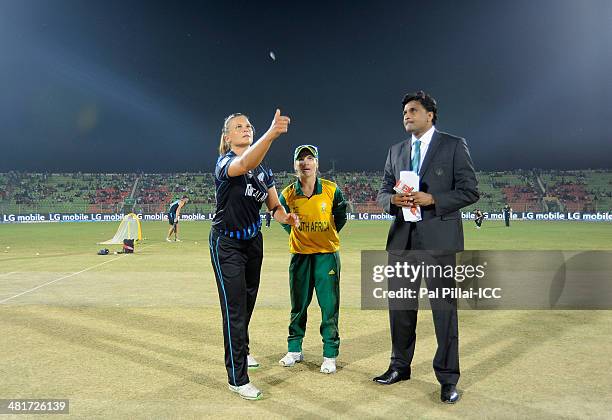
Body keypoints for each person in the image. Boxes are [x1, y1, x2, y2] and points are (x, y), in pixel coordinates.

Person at [375, 91, 479, 404]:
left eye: (413, 110)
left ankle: (448, 379)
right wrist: (392, 201)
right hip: (402, 241)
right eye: (405, 111)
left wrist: (434, 199)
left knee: (444, 313)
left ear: (430, 115)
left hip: (439, 241)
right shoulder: (396, 150)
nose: (407, 115)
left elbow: (470, 190)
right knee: (400, 310)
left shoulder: (453, 145)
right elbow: (382, 191)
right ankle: (399, 366)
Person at [209, 110, 300, 401]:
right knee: (234, 310)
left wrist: (286, 217)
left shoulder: (264, 171)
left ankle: (242, 351)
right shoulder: (225, 163)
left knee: (247, 303)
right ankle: (237, 378)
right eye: (239, 126)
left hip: (252, 242)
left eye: (249, 125)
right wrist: (272, 133)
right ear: (228, 137)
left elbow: (274, 206)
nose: (246, 129)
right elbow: (245, 162)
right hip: (227, 244)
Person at [278, 145, 347, 374]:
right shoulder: (287, 193)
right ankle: (294, 349)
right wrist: (298, 236)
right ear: (295, 165)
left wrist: (325, 236)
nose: (305, 163)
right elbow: (281, 218)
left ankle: (329, 354)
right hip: (300, 257)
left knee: (329, 307)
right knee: (298, 306)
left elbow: (340, 216)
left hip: (326, 256)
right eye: (301, 159)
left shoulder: (331, 189)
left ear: (317, 163)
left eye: (310, 158)